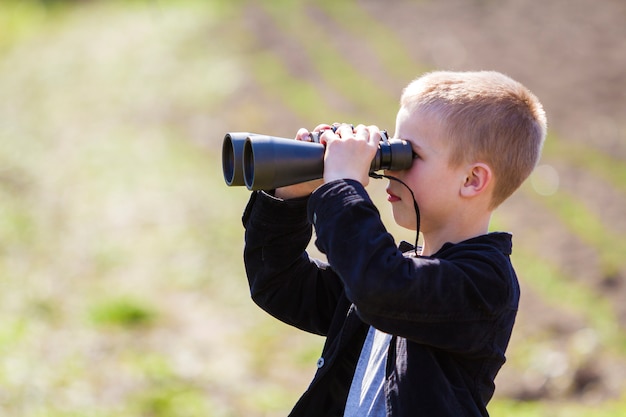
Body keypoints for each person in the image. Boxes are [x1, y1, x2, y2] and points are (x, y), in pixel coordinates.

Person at [241, 70, 547, 416]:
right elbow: (278, 283)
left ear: (471, 179)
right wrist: (291, 195)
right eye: (392, 149)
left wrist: (342, 187)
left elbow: (380, 285)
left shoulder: (483, 285)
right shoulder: (397, 275)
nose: (389, 169)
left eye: (409, 155)